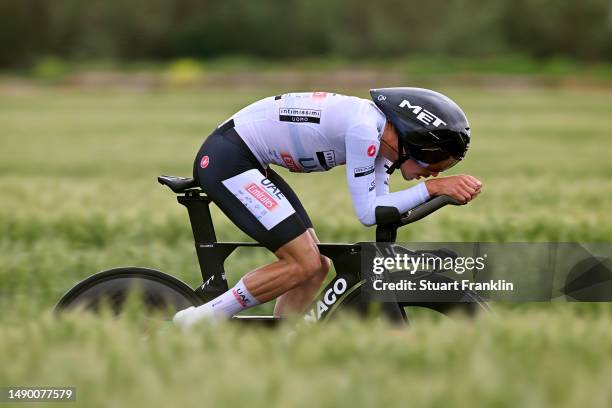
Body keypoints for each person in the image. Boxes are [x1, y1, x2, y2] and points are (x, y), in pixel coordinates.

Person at [173, 87, 482, 328]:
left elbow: (384, 208)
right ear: (415, 144)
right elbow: (368, 213)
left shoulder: (380, 138)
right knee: (302, 262)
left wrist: (432, 192)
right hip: (228, 159)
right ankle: (200, 321)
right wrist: (433, 189)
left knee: (316, 267)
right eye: (434, 163)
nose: (435, 173)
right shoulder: (365, 131)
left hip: (246, 158)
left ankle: (281, 345)